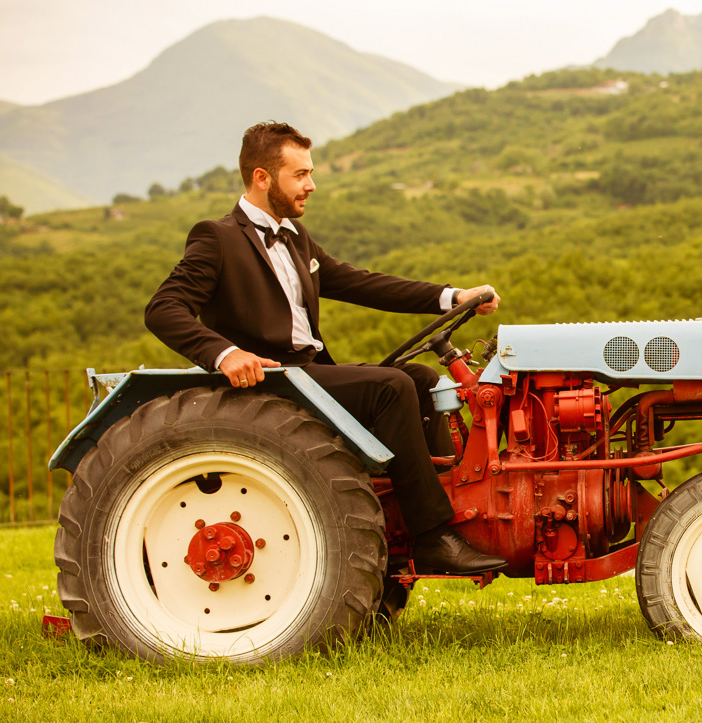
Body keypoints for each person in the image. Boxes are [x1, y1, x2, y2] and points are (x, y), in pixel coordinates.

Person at [146, 121, 506, 576]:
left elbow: (361, 282)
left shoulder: (295, 236)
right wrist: (225, 354)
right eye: (299, 175)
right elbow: (163, 308)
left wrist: (451, 296)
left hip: (312, 370)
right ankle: (433, 536)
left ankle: (447, 504)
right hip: (276, 379)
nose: (311, 185)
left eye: (309, 173)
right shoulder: (216, 238)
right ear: (262, 178)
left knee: (421, 379)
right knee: (391, 387)